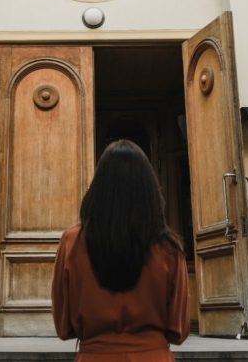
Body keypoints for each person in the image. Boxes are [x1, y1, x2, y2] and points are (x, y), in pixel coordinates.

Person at [51, 139, 190, 362]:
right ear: (149, 190)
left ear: (99, 189)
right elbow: (179, 330)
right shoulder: (169, 248)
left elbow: (63, 327)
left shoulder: (72, 242)